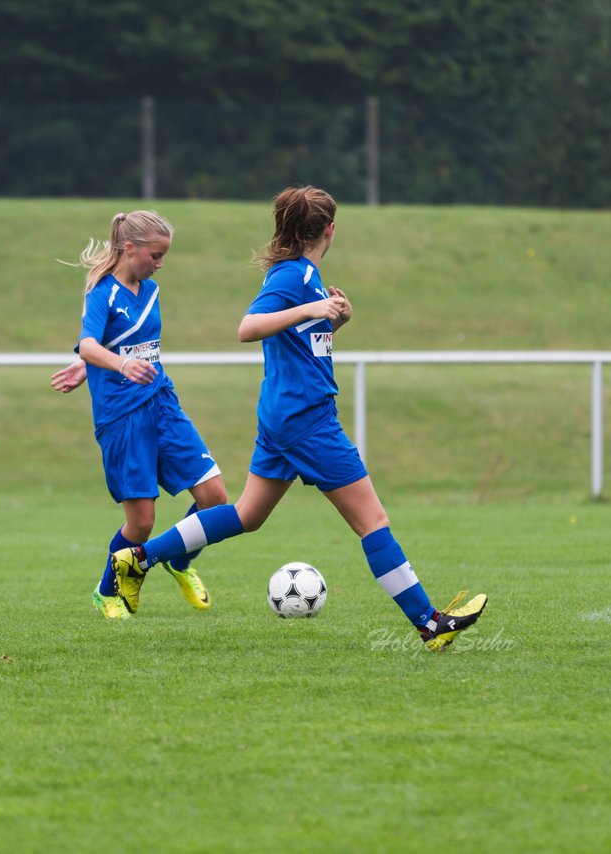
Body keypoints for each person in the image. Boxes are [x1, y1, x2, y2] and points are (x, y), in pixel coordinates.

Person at [109, 187, 487, 650]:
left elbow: (300, 345)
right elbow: (248, 328)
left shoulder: (305, 277)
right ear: (330, 229)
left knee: (247, 515)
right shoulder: (291, 277)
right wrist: (311, 308)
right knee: (373, 522)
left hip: (286, 417)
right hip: (307, 421)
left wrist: (334, 323)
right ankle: (429, 625)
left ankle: (138, 559)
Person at [50, 211, 228, 619]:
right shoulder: (102, 294)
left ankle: (179, 560)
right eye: (156, 254)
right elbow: (89, 344)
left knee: (214, 497)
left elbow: (123, 346)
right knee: (142, 523)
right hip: (122, 417)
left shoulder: (150, 291)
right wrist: (108, 364)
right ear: (129, 248)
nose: (160, 263)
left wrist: (96, 363)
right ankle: (107, 591)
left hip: (162, 403)